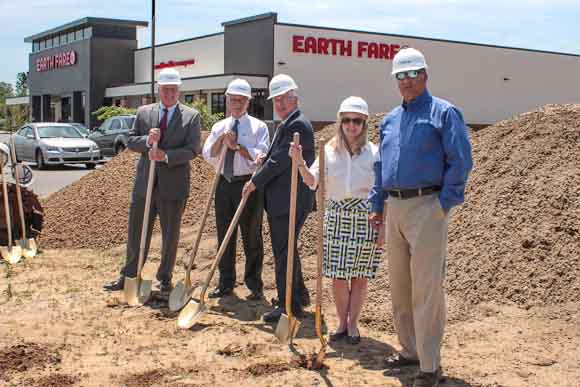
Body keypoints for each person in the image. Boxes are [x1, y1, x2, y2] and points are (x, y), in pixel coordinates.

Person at [369, 48, 473, 387]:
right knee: (400, 287)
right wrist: (377, 203)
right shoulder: (389, 121)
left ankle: (430, 366)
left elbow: (460, 160)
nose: (406, 81)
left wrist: (444, 204)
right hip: (395, 207)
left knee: (426, 290)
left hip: (428, 206)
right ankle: (410, 352)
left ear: (425, 75)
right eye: (400, 76)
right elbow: (381, 166)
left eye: (412, 74)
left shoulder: (444, 113)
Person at [289, 96, 383, 345]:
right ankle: (342, 322)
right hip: (337, 215)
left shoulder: (374, 153)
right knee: (339, 275)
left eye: (357, 121)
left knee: (360, 275)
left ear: (365, 123)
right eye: (347, 121)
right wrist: (299, 163)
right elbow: (312, 181)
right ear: (340, 122)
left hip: (365, 217)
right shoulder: (327, 150)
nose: (352, 126)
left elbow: (382, 189)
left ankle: (354, 324)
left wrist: (383, 223)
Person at [104, 68, 201, 296]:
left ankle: (164, 279)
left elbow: (192, 150)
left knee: (170, 236)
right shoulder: (144, 112)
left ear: (179, 91)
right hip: (144, 185)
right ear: (158, 90)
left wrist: (165, 155)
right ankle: (129, 274)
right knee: (137, 231)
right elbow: (130, 140)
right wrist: (148, 141)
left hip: (174, 185)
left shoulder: (191, 116)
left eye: (173, 90)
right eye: (165, 89)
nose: (169, 93)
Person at [241, 74, 314, 322]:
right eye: (277, 100)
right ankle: (298, 296)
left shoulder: (298, 125)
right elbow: (276, 155)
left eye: (284, 99)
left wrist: (254, 181)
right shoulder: (288, 122)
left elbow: (279, 162)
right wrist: (264, 160)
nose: (280, 104)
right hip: (283, 198)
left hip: (290, 199)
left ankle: (287, 305)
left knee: (283, 252)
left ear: (295, 98)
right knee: (287, 248)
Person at [202, 78, 269, 300]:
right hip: (223, 183)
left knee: (251, 235)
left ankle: (254, 284)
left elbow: (260, 158)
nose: (237, 104)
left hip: (248, 184)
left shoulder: (259, 127)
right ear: (227, 101)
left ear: (248, 102)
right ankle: (225, 282)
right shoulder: (219, 127)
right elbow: (208, 154)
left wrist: (238, 147)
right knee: (224, 235)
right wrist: (222, 140)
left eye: (241, 100)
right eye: (233, 100)